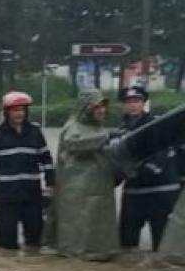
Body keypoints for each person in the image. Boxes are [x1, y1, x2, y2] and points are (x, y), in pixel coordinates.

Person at [0, 91, 55, 250]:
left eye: (22, 110)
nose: (19, 113)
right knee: (7, 242)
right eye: (15, 110)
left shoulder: (35, 132)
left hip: (32, 193)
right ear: (6, 112)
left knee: (35, 239)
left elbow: (47, 160)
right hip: (7, 194)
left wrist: (51, 184)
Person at [48, 89, 119, 261]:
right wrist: (106, 137)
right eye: (97, 107)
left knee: (99, 220)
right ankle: (75, 252)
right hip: (76, 188)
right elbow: (75, 144)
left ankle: (101, 251)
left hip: (101, 185)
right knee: (77, 222)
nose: (102, 110)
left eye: (103, 106)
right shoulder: (72, 126)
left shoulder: (99, 127)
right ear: (86, 108)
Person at [116, 84, 183, 251]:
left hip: (160, 192)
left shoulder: (157, 124)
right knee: (127, 241)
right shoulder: (120, 130)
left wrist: (145, 168)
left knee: (162, 243)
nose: (133, 105)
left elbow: (165, 153)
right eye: (129, 101)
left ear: (144, 103)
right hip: (134, 194)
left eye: (137, 100)